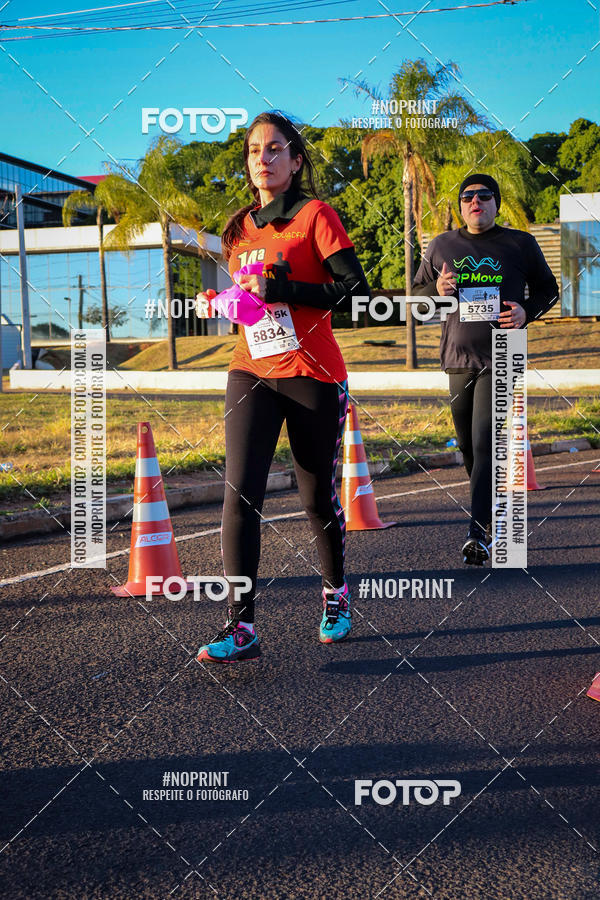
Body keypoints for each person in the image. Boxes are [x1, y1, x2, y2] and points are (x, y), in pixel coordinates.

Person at [196, 111, 370, 662]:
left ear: (296, 161)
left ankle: (336, 595)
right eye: (253, 151)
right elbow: (253, 307)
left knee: (315, 496)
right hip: (251, 369)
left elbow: (354, 293)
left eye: (274, 149)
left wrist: (283, 286)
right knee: (239, 494)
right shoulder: (238, 229)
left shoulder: (316, 215)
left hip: (314, 374)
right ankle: (240, 625)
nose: (262, 159)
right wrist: (228, 304)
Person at [413, 174, 558, 565]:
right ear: (461, 206)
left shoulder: (520, 244)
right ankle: (490, 511)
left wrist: (528, 312)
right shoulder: (442, 245)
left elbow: (549, 289)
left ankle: (477, 534)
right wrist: (436, 293)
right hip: (457, 358)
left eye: (483, 196)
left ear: (496, 203)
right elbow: (415, 300)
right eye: (467, 197)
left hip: (503, 354)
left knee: (483, 441)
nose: (475, 202)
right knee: (467, 447)